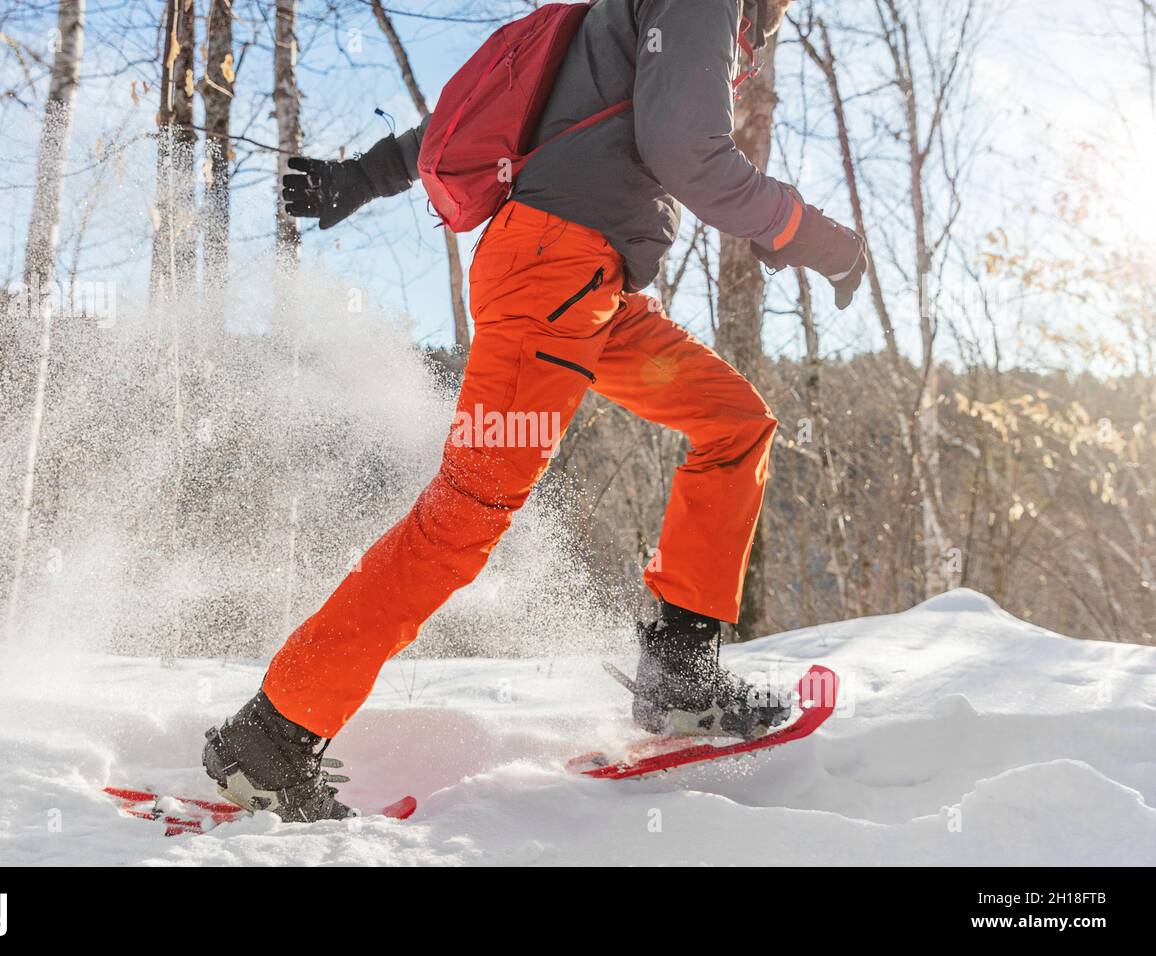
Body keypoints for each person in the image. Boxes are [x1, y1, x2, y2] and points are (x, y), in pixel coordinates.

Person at [202, 0, 867, 822]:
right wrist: (820, 238)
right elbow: (688, 155)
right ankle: (274, 733)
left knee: (733, 423)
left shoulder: (624, 19)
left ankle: (681, 678)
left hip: (591, 291)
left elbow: (484, 114)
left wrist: (361, 177)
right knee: (466, 513)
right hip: (553, 276)